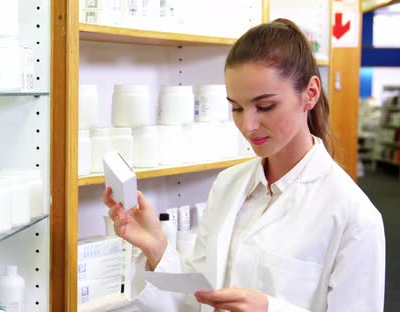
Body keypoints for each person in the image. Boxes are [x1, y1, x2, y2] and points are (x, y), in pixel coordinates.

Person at [103, 18, 385, 312]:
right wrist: (157, 247)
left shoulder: (355, 216)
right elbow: (199, 298)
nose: (248, 126)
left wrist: (270, 309)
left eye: (265, 106)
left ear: (310, 94)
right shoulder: (228, 184)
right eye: (236, 107)